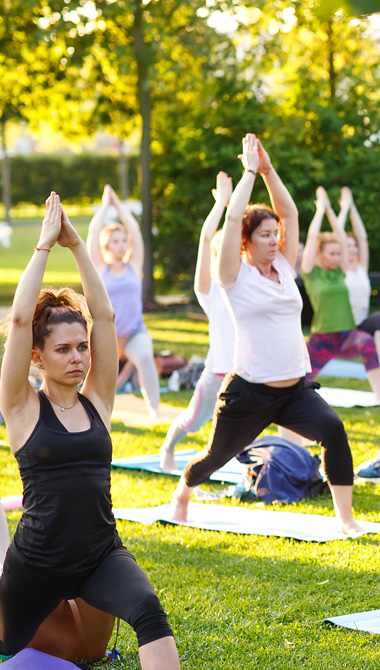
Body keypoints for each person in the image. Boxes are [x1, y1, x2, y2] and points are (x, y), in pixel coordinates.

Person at [0, 193, 180, 667]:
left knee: (149, 610)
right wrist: (43, 247)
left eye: (82, 348)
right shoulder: (21, 407)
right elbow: (19, 321)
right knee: (6, 646)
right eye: (63, 349)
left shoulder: (97, 399)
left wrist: (79, 245)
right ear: (38, 356)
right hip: (36, 563)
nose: (78, 357)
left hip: (101, 553)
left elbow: (106, 318)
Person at [170, 134, 367, 536]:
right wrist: (246, 174)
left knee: (333, 430)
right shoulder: (233, 275)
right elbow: (230, 220)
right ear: (245, 240)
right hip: (249, 392)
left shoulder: (285, 267)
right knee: (215, 457)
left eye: (275, 234)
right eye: (264, 234)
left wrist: (268, 170)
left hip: (294, 390)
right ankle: (182, 493)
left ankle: (346, 519)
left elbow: (291, 215)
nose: (275, 238)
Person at [159, 172, 236, 471]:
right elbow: (207, 239)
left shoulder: (246, 284)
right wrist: (222, 206)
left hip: (246, 372)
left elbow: (240, 235)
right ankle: (168, 448)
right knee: (193, 420)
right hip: (217, 372)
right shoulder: (209, 291)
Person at [87, 184, 162, 421]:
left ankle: (155, 412)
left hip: (134, 332)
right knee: (96, 376)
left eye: (123, 241)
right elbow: (93, 231)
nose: (121, 245)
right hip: (107, 334)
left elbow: (135, 231)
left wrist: (118, 205)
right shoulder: (99, 268)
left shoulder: (134, 266)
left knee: (146, 359)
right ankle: (93, 414)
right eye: (115, 241)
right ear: (106, 246)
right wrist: (105, 206)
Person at [301, 186, 380, 400]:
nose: (338, 257)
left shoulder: (341, 271)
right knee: (302, 376)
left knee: (366, 342)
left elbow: (340, 235)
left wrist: (333, 210)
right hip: (323, 337)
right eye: (333, 254)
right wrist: (321, 210)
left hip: (347, 335)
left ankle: (379, 395)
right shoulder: (312, 273)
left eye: (340, 253)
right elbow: (311, 239)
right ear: (320, 254)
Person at [331, 186, 380, 376]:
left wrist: (352, 208)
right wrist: (344, 208)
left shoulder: (361, 268)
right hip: (342, 330)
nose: (352, 249)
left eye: (353, 247)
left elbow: (363, 238)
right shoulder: (340, 269)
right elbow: (337, 235)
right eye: (347, 246)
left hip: (360, 326)